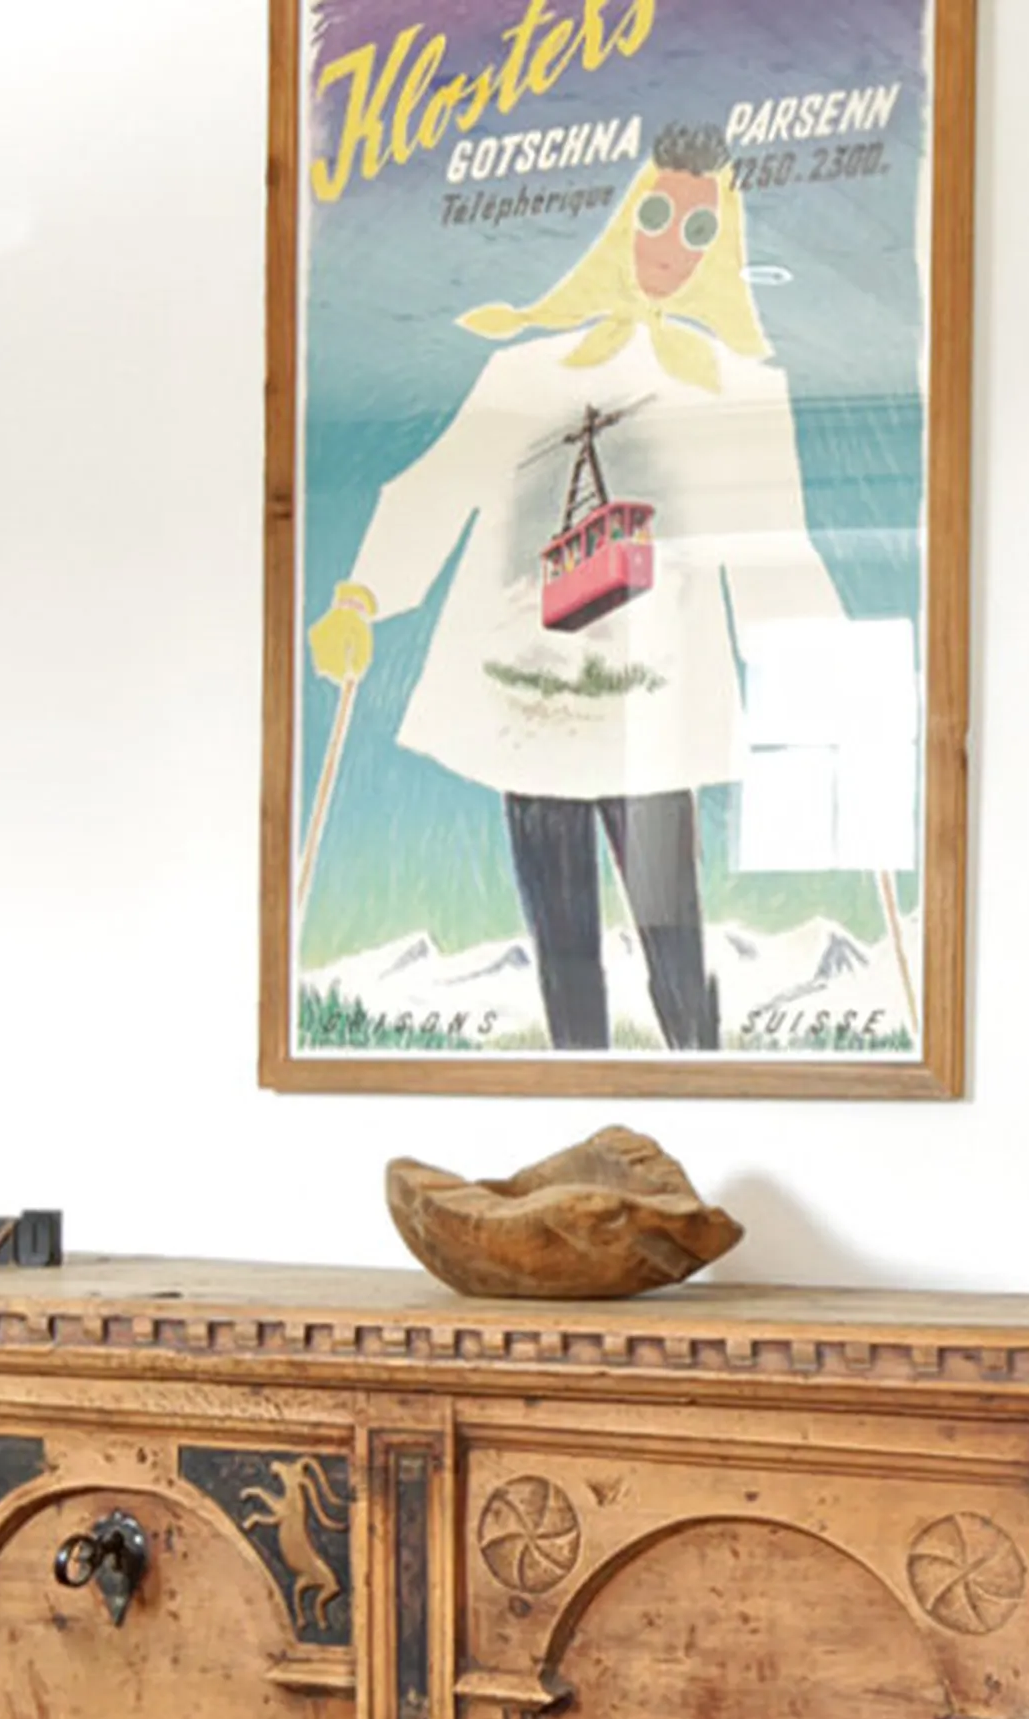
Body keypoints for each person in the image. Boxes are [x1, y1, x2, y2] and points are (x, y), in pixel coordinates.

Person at [307, 135, 843, 1052]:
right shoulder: (524, 376)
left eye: (700, 226)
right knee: (563, 962)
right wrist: (362, 597)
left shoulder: (737, 395)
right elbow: (435, 487)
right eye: (654, 214)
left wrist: (826, 661)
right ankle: (572, 1125)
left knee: (678, 951)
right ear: (622, 218)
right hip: (530, 710)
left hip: (656, 724)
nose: (670, 246)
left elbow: (773, 551)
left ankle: (708, 1099)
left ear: (724, 247)